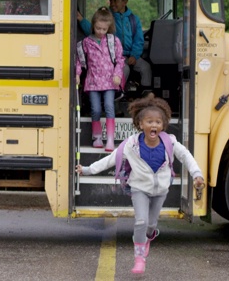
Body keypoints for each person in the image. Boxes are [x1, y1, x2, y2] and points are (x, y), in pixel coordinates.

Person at [75, 93, 205, 275]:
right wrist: (88, 169)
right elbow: (111, 159)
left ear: (163, 125)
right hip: (139, 189)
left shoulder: (170, 142)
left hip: (160, 190)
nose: (154, 125)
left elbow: (186, 156)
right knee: (141, 221)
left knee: (151, 225)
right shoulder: (131, 145)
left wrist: (197, 174)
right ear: (140, 124)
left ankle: (150, 236)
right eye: (149, 121)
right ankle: (139, 258)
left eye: (158, 122)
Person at [78, 0, 152, 93]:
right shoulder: (108, 17)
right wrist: (81, 19)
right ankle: (118, 94)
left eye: (115, 0)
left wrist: (134, 55)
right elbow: (93, 31)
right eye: (110, 0)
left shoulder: (134, 19)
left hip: (131, 55)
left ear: (124, 2)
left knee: (146, 67)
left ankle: (146, 94)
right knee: (124, 69)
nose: (112, 3)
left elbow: (138, 40)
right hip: (113, 56)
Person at [75, 6, 125, 151]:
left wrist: (117, 74)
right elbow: (79, 60)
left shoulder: (113, 41)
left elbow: (120, 60)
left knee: (109, 107)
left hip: (110, 81)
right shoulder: (86, 43)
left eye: (104, 29)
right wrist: (77, 74)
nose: (101, 32)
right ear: (93, 26)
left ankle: (110, 139)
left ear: (109, 28)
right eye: (98, 28)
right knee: (95, 109)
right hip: (93, 82)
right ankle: (97, 137)